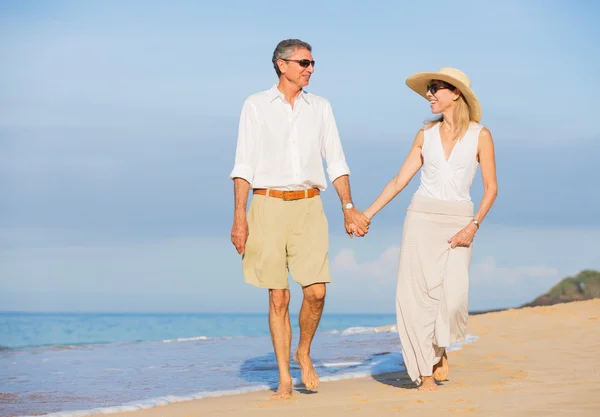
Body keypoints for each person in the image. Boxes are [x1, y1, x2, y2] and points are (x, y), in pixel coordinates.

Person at [229, 39, 370, 399]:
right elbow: (243, 166)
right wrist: (239, 218)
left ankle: (303, 350)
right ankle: (284, 377)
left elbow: (336, 160)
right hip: (268, 204)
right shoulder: (256, 105)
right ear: (282, 64)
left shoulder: (320, 107)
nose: (310, 69)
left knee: (317, 292)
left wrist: (348, 206)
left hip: (310, 205)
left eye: (312, 63)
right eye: (303, 62)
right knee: (278, 297)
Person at [362, 67, 498, 391]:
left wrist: (474, 225)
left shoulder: (481, 135)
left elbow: (491, 188)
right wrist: (366, 215)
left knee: (451, 300)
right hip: (421, 218)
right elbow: (399, 182)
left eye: (436, 88)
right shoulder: (426, 134)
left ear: (456, 93)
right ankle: (424, 373)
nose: (429, 95)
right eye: (429, 89)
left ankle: (439, 348)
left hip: (460, 223)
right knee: (416, 298)